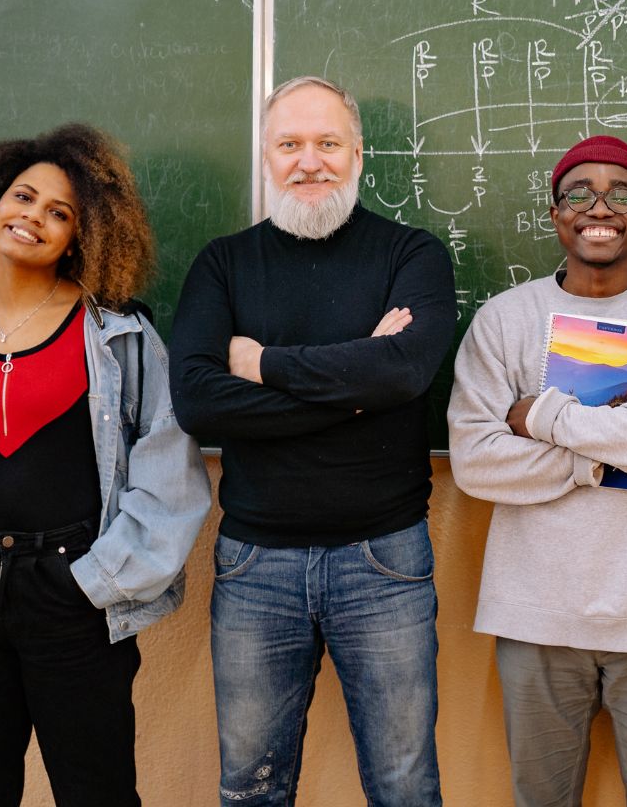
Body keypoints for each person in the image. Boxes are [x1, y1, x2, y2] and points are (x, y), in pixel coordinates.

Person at [0, 124, 211, 807]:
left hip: (72, 597)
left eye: (59, 213)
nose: (33, 216)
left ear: (81, 236)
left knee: (98, 792)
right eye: (23, 197)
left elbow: (170, 479)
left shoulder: (120, 336)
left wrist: (92, 583)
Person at [169, 75, 456, 807]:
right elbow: (199, 401)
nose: (309, 161)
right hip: (255, 563)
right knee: (252, 789)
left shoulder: (412, 254)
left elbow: (408, 371)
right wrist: (358, 385)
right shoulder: (223, 264)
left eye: (327, 143)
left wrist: (261, 365)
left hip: (384, 560)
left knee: (404, 786)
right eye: (289, 144)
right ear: (265, 157)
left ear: (358, 153)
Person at [448, 134, 627, 807]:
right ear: (554, 213)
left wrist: (541, 415)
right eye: (580, 194)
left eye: (621, 193)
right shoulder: (503, 319)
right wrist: (595, 464)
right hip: (535, 615)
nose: (601, 208)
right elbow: (476, 461)